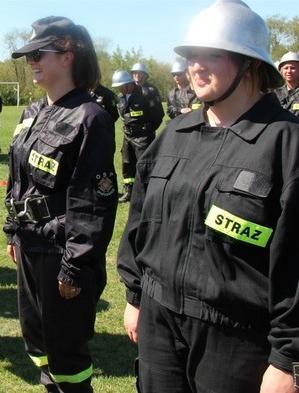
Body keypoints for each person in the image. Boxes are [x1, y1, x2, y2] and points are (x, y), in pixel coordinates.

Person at [117, 1, 299, 392]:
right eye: (191, 56)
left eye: (211, 55)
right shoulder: (176, 132)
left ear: (250, 64)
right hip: (159, 323)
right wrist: (135, 295)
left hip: (236, 340)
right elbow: (141, 219)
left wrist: (288, 358)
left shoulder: (286, 143)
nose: (196, 66)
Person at [6, 16, 118, 393]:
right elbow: (18, 179)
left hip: (60, 252)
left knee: (66, 352)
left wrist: (76, 264)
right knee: (38, 342)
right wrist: (13, 230)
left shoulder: (91, 118)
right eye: (28, 56)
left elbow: (93, 202)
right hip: (29, 244)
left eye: (39, 53)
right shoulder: (30, 114)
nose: (31, 61)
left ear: (68, 55)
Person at [111, 69, 163, 203]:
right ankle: (129, 191)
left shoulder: (145, 93)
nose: (120, 90)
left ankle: (147, 193)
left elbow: (158, 115)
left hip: (143, 137)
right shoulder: (120, 98)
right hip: (128, 136)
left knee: (145, 165)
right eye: (117, 88)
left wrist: (147, 131)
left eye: (121, 86)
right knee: (127, 164)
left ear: (129, 84)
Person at [275, 51, 299, 117]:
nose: (289, 71)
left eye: (293, 68)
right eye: (286, 68)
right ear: (281, 70)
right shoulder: (275, 93)